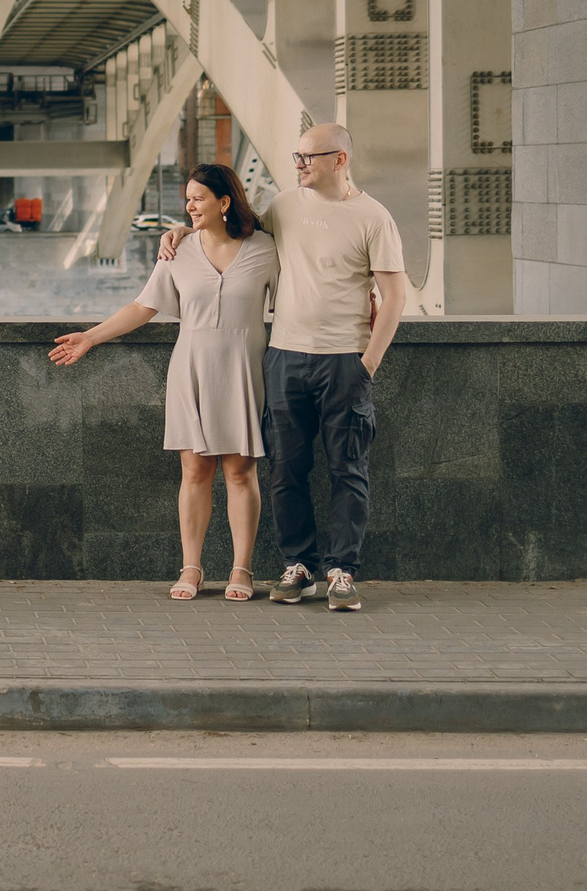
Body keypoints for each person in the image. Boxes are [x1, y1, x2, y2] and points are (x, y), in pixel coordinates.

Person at [159, 123, 404, 611]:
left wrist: (367, 364)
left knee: (348, 469)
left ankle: (341, 571)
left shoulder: (373, 217)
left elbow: (395, 296)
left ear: (340, 159)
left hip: (344, 360)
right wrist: (187, 227)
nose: (299, 164)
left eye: (309, 157)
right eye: (296, 156)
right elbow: (236, 230)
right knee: (285, 471)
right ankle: (299, 567)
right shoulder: (285, 207)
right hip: (286, 357)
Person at [52, 164, 278, 602]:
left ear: (224, 202)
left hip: (244, 368)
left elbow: (297, 296)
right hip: (191, 367)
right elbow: (143, 307)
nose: (189, 206)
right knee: (194, 471)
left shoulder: (264, 249)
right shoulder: (178, 251)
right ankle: (191, 567)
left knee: (239, 471)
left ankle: (242, 569)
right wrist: (90, 337)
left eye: (197, 199)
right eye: (187, 200)